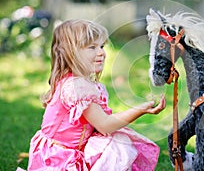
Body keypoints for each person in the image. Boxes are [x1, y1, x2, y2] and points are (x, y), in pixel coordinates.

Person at [24, 19, 166, 170]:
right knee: (117, 145)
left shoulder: (81, 83)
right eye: (92, 47)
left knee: (115, 140)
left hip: (71, 150)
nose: (101, 53)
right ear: (71, 53)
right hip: (56, 158)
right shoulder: (76, 87)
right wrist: (140, 109)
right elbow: (105, 125)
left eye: (102, 46)